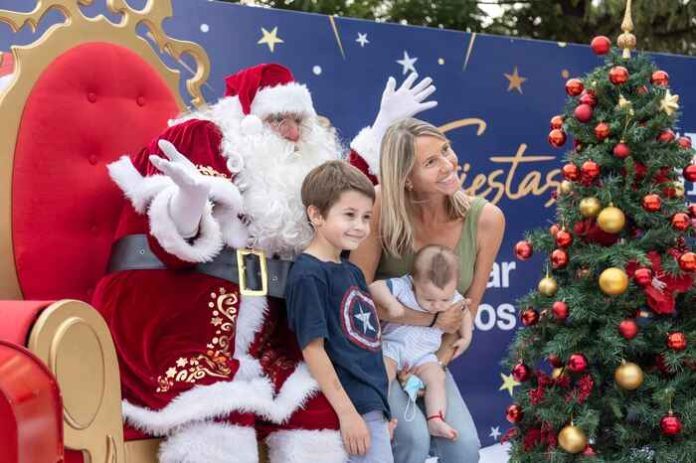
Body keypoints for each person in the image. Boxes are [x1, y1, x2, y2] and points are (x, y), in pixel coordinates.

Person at [93, 62, 436, 463]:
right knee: (221, 412)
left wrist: (380, 130)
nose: (292, 132)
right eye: (278, 120)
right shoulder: (202, 138)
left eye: (298, 121)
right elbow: (170, 241)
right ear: (248, 121)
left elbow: (332, 199)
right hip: (176, 324)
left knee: (318, 415)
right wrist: (190, 199)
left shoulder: (291, 176)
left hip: (262, 340)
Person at [350, 118, 505, 463]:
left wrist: (431, 364)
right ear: (405, 179)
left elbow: (465, 312)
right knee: (413, 440)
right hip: (377, 354)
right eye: (431, 162)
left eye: (446, 151)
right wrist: (430, 318)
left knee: (464, 450)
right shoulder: (378, 207)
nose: (449, 165)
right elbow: (354, 304)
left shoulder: (487, 219)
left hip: (427, 357)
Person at [286, 160, 392, 462]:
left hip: (372, 405)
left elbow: (368, 345)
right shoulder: (308, 275)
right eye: (349, 215)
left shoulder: (353, 273)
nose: (360, 226)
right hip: (349, 406)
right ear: (316, 214)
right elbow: (313, 349)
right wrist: (348, 413)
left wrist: (382, 409)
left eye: (366, 217)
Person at [370, 245, 473, 441]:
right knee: (383, 376)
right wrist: (391, 304)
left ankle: (435, 419)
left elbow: (465, 312)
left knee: (436, 378)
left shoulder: (452, 297)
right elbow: (375, 287)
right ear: (413, 281)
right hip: (391, 347)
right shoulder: (402, 286)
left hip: (423, 356)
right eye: (429, 299)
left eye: (445, 299)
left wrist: (466, 337)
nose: (438, 306)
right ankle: (380, 422)